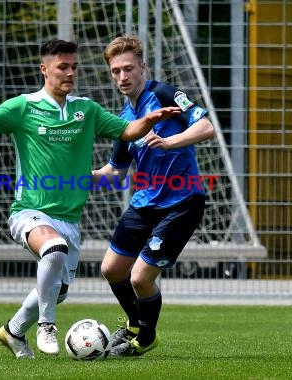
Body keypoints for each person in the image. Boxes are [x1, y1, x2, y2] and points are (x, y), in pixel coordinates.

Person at [0, 39, 181, 359]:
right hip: (29, 211)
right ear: (44, 69)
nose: (70, 73)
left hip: (70, 220)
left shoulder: (86, 110)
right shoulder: (22, 106)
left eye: (74, 67)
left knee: (58, 289)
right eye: (63, 67)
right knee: (53, 248)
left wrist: (150, 120)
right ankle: (47, 325)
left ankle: (13, 330)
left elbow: (128, 131)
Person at [92, 35, 215, 357]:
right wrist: (75, 175)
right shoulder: (124, 120)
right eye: (116, 71)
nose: (123, 77)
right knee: (111, 269)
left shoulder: (163, 94)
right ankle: (134, 324)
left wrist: (170, 142)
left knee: (140, 278)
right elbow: (114, 173)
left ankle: (145, 338)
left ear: (142, 67)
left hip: (182, 201)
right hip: (145, 202)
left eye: (129, 68)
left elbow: (206, 128)